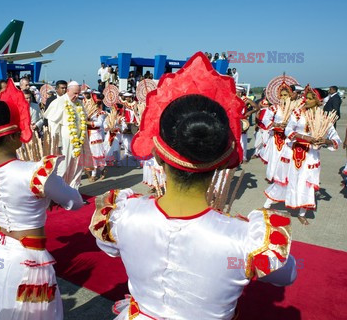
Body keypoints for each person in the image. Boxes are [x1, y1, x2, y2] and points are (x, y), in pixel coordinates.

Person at [90, 52, 296, 319]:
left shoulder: (122, 215)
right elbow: (286, 274)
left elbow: (108, 247)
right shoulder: (245, 239)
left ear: (157, 156)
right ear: (222, 161)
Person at [0, 79, 83, 320]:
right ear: (11, 138)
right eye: (19, 130)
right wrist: (57, 186)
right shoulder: (33, 172)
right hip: (28, 257)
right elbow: (75, 202)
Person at [264, 89, 341, 224]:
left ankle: (302, 212)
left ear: (318, 101)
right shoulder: (297, 113)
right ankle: (267, 204)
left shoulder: (324, 117)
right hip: (292, 151)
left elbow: (336, 139)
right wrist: (304, 137)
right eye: (306, 97)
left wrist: (325, 141)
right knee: (284, 178)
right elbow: (288, 130)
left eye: (311, 98)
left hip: (311, 155)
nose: (306, 100)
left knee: (307, 182)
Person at [45, 81, 91, 188]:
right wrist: (57, 144)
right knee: (63, 168)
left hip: (79, 142)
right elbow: (53, 126)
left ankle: (74, 191)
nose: (76, 96)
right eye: (74, 93)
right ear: (68, 90)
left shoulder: (79, 103)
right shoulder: (59, 102)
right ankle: (60, 193)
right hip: (65, 144)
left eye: (78, 93)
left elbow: (83, 122)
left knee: (77, 169)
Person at [86, 91, 107, 181]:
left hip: (95, 135)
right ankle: (101, 170)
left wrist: (88, 122)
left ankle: (94, 174)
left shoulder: (101, 113)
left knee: (94, 155)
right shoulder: (88, 110)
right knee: (89, 155)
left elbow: (99, 123)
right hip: (87, 134)